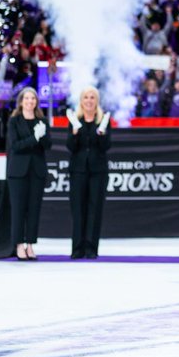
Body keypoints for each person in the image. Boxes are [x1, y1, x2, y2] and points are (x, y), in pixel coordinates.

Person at [66, 87, 112, 259]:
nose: (89, 100)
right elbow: (70, 147)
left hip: (98, 172)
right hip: (78, 171)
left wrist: (101, 134)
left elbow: (107, 146)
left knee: (95, 209)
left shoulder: (103, 120)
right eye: (86, 97)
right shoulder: (74, 120)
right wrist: (75, 133)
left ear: (96, 101)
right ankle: (77, 248)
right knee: (78, 210)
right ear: (81, 100)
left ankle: (91, 248)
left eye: (92, 97)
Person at [6, 87, 50, 261]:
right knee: (18, 209)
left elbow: (48, 145)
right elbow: (15, 146)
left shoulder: (42, 121)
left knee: (34, 210)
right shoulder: (14, 121)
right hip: (18, 172)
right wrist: (34, 138)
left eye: (33, 99)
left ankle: (30, 244)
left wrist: (42, 136)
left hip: (36, 171)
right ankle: (18, 245)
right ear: (21, 101)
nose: (30, 101)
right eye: (27, 98)